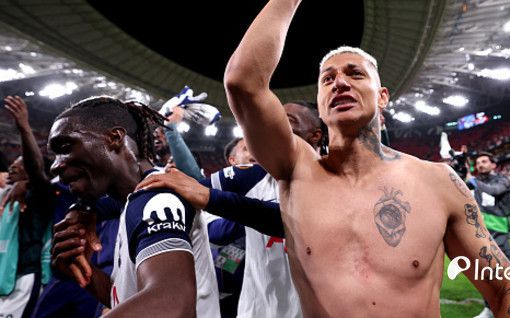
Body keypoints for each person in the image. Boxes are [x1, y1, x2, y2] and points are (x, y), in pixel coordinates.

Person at [220, 0, 510, 317]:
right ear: (320, 105)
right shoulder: (296, 169)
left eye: (354, 74)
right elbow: (243, 82)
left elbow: (505, 289)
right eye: (327, 79)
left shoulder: (438, 182)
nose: (339, 83)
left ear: (383, 96)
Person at [137, 101, 326, 318]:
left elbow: (291, 220)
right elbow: (191, 187)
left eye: (288, 120)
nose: (276, 124)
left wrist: (210, 198)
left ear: (315, 135)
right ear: (231, 160)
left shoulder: (336, 184)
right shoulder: (253, 176)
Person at [48, 96, 220, 317]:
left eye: (65, 147)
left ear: (114, 138)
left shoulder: (156, 199)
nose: (55, 166)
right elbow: (129, 299)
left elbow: (172, 306)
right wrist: (86, 271)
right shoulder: (133, 201)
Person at [0, 96, 55, 318]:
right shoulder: (5, 195)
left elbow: (36, 169)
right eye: (12, 165)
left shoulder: (39, 195)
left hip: (23, 279)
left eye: (19, 165)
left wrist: (24, 127)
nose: (12, 168)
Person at [467, 152, 510, 318]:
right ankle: (489, 308)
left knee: (509, 273)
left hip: (499, 233)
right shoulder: (476, 182)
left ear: (493, 164)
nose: (480, 165)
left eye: (484, 161)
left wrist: (473, 180)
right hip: (480, 234)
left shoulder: (502, 180)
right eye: (478, 163)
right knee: (485, 273)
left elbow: (494, 191)